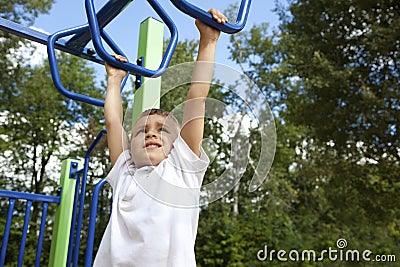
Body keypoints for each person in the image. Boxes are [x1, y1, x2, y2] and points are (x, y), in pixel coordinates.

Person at [93, 8, 228, 267]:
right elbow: (113, 122)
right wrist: (114, 80)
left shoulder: (181, 168)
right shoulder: (125, 172)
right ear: (129, 147)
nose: (151, 133)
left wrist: (208, 41)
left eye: (162, 130)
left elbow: (196, 99)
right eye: (142, 130)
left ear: (178, 145)